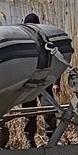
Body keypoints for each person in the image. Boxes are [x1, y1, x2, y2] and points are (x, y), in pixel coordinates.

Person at [21, 13, 59, 146]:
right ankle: (30, 139)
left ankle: (51, 137)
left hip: (45, 80)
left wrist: (56, 83)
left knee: (48, 109)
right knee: (29, 112)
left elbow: (56, 61)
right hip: (30, 82)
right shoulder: (24, 41)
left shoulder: (45, 38)